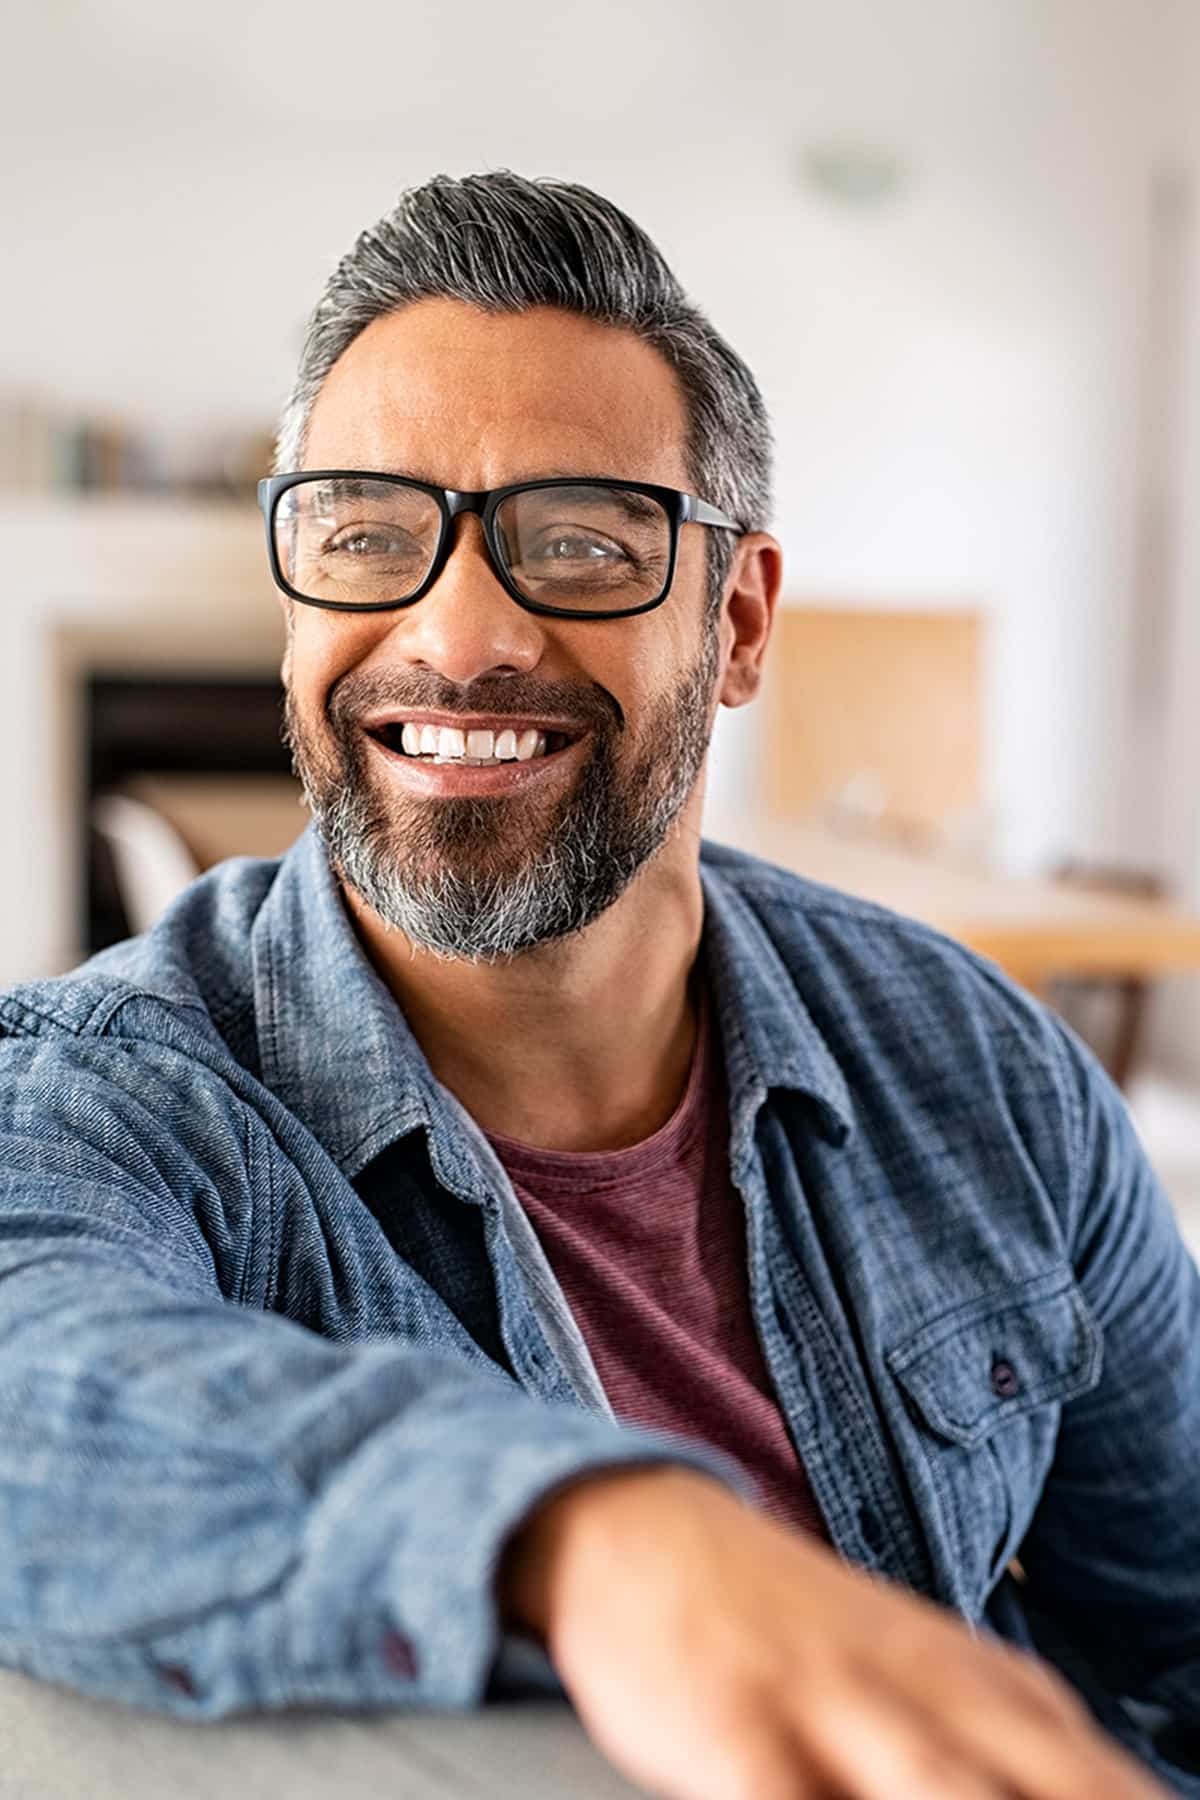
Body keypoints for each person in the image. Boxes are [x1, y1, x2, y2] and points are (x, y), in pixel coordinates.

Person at [0, 171, 1194, 1800]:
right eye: (364, 535)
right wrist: (594, 1537)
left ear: (743, 618)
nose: (461, 632)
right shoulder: (116, 1096)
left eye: (580, 542)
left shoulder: (983, 1070)